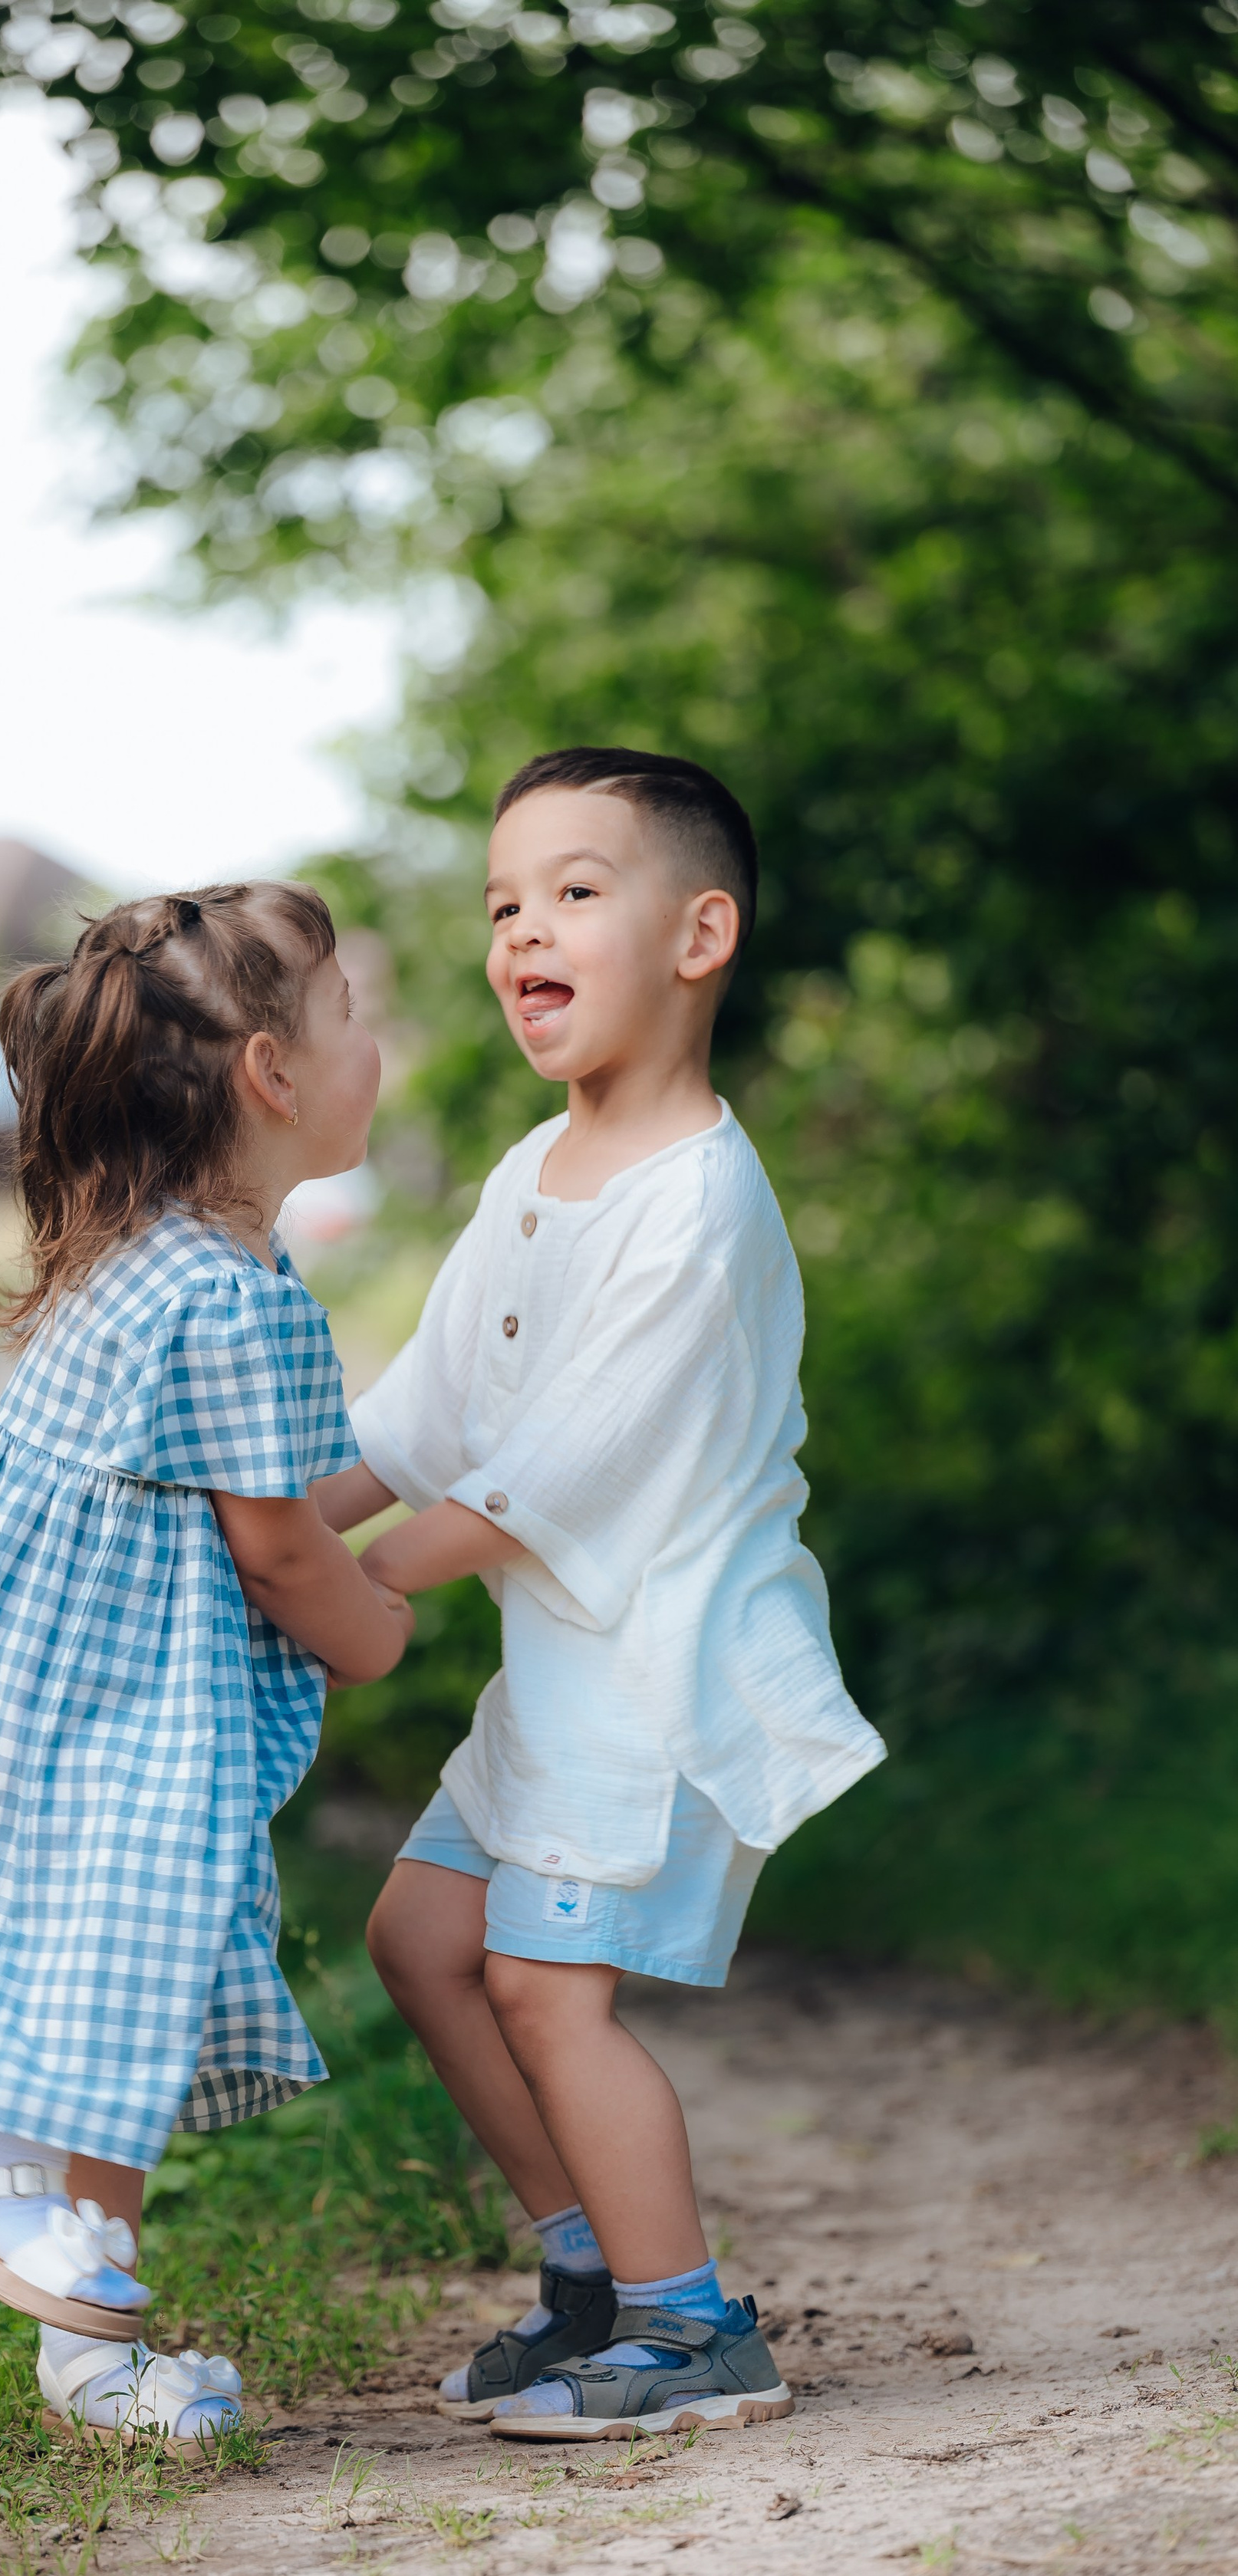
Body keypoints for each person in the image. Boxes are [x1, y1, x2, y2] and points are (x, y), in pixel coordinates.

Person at [0, 884, 409, 2446]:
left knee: (125, 1987)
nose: (374, 1050)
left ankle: (89, 2346)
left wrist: (408, 1479)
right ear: (269, 1072)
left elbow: (263, 1497)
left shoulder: (152, 1257)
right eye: (348, 1022)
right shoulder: (238, 1301)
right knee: (122, 1971)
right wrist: (377, 1631)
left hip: (36, 1669)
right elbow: (277, 1550)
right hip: (106, 1699)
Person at [314, 748, 885, 2441]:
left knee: (548, 1989)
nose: (520, 933)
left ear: (697, 932)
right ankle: (585, 2273)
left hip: (657, 1676)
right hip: (554, 1685)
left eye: (572, 890)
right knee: (422, 1939)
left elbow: (536, 1477)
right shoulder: (528, 1171)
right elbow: (424, 1418)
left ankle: (691, 2322)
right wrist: (266, 1521)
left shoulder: (697, 1206)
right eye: (501, 905)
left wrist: (333, 1590)